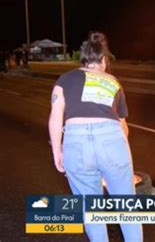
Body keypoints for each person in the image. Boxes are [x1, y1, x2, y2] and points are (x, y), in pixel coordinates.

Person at [48, 32, 143, 241]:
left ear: (83, 59)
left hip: (75, 141)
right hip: (111, 138)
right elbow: (122, 126)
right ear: (103, 60)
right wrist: (120, 159)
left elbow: (55, 117)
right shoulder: (112, 81)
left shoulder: (64, 79)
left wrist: (57, 150)